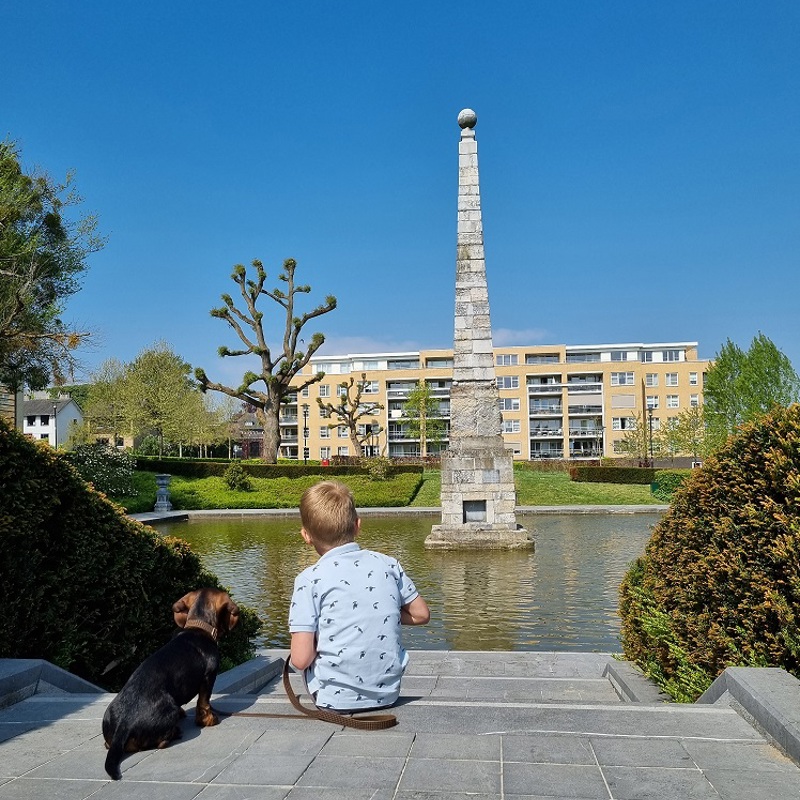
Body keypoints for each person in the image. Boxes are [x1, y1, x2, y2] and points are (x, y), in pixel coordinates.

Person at [288, 480, 430, 711]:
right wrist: (379, 611)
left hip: (333, 699)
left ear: (306, 536)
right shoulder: (388, 564)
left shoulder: (309, 579)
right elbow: (422, 614)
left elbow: (301, 659)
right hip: (388, 695)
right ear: (357, 525)